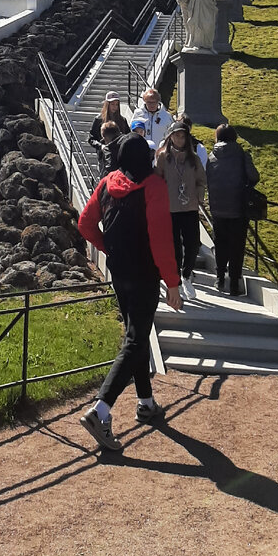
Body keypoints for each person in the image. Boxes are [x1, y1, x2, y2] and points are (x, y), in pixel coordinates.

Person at [77, 134, 181, 452]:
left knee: (135, 335)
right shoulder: (153, 187)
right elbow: (161, 238)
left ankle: (146, 402)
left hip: (119, 271)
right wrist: (173, 282)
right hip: (145, 272)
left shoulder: (109, 182)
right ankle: (101, 410)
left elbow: (85, 223)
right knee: (137, 339)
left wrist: (106, 246)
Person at [206, 124, 260, 296]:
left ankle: (220, 277)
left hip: (217, 208)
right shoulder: (242, 155)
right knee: (237, 246)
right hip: (238, 207)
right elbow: (254, 176)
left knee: (220, 244)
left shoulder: (211, 156)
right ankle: (235, 283)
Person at [156, 122, 207, 301]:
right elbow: (158, 179)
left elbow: (201, 179)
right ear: (170, 137)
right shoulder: (163, 156)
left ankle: (187, 274)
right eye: (176, 135)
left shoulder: (193, 158)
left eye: (183, 136)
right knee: (175, 246)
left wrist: (198, 196)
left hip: (190, 207)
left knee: (192, 244)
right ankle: (176, 277)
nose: (180, 139)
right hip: (170, 208)